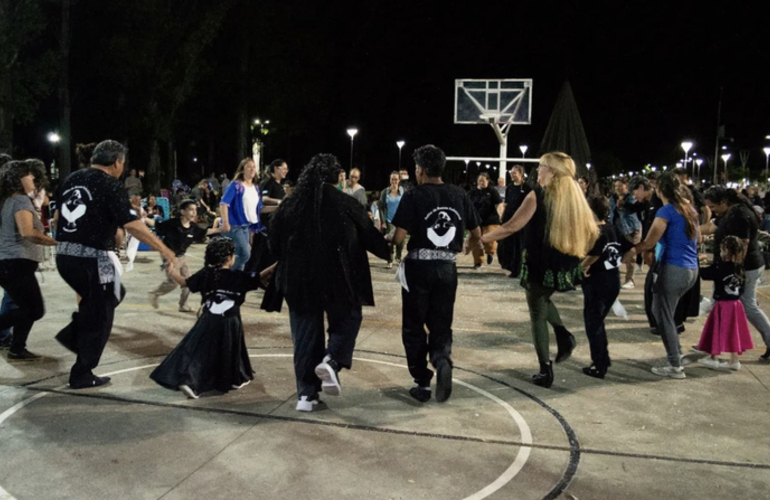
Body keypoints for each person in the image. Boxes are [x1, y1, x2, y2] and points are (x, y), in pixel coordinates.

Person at [268, 154, 389, 412]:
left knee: (304, 335)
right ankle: (332, 360)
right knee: (349, 318)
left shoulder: (290, 204)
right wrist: (390, 245)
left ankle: (306, 396)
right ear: (337, 178)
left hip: (297, 279)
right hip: (337, 277)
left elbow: (273, 242)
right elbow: (370, 236)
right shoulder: (345, 203)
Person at [53, 140, 175, 389]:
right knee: (102, 311)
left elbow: (56, 217)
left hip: (65, 257)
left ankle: (76, 335)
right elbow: (132, 224)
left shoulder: (71, 179)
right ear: (118, 162)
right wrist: (164, 249)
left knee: (111, 296)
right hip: (94, 260)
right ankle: (82, 371)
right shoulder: (110, 184)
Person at [482, 152, 599, 388]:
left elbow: (511, 226)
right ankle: (563, 334)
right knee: (543, 299)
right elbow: (591, 231)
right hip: (564, 261)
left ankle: (546, 368)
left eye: (542, 166)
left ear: (553, 171)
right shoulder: (574, 196)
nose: (538, 171)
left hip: (539, 262)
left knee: (536, 311)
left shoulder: (537, 195)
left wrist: (483, 238)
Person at [390, 145, 481, 403]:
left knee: (414, 326)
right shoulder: (459, 194)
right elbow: (477, 234)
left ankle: (422, 382)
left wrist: (387, 239)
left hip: (419, 267)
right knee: (441, 323)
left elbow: (398, 238)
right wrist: (467, 249)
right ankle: (441, 359)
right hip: (447, 268)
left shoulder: (414, 195)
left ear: (419, 170)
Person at [150, 238, 257, 399]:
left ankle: (231, 378)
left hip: (208, 318)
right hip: (230, 321)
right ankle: (193, 382)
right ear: (229, 258)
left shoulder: (206, 273)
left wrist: (171, 271)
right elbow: (260, 278)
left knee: (199, 351)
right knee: (227, 350)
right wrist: (279, 265)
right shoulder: (236, 276)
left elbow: (185, 283)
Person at [623, 172, 699, 379]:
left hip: (673, 269)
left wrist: (630, 252)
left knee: (662, 315)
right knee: (665, 314)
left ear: (659, 189)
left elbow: (649, 242)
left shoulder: (666, 211)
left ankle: (675, 365)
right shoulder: (688, 208)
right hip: (691, 270)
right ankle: (676, 355)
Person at [702, 186, 770, 362]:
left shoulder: (739, 215)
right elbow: (711, 227)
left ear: (723, 202)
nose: (713, 211)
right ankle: (712, 346)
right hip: (738, 267)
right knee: (717, 304)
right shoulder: (730, 213)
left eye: (714, 207)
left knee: (748, 307)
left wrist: (734, 270)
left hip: (746, 268)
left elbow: (743, 244)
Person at [0, 159, 57, 360]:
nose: (32, 177)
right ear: (18, 179)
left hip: (11, 263)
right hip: (16, 263)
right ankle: (15, 345)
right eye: (28, 174)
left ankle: (17, 348)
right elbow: (27, 232)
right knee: (35, 310)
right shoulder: (20, 201)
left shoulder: (8, 200)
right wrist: (54, 242)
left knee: (26, 308)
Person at [580, 195, 633, 378]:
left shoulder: (596, 231)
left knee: (593, 323)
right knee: (597, 321)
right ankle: (602, 359)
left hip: (598, 282)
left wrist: (581, 267)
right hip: (613, 280)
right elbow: (629, 248)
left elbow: (594, 254)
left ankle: (599, 364)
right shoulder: (613, 228)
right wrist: (618, 262)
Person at [149, 200, 224, 312]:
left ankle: (183, 305)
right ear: (183, 211)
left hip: (182, 256)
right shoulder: (173, 223)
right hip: (169, 255)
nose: (194, 212)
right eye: (191, 209)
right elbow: (157, 225)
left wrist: (220, 229)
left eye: (195, 210)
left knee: (189, 281)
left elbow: (204, 232)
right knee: (173, 282)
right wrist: (143, 219)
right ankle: (155, 294)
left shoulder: (193, 227)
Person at [696, 236, 753, 371]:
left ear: (726, 251)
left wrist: (697, 261)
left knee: (716, 330)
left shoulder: (720, 267)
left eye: (722, 250)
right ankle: (734, 360)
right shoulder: (740, 268)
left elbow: (703, 274)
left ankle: (713, 358)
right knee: (734, 332)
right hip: (736, 304)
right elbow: (743, 287)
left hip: (722, 305)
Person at [219, 158, 263, 271]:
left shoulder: (255, 188)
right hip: (234, 225)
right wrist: (225, 222)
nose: (252, 169)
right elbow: (224, 203)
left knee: (239, 256)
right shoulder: (236, 185)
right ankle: (222, 274)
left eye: (254, 166)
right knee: (245, 254)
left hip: (246, 226)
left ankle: (235, 283)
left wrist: (280, 206)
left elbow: (260, 208)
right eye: (249, 166)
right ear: (242, 170)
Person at [498, 165, 531, 278]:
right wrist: (502, 216)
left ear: (521, 174)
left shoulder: (527, 188)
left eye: (514, 173)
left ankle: (516, 269)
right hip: (508, 218)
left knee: (517, 245)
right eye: (511, 173)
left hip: (520, 220)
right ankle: (507, 264)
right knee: (504, 243)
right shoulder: (509, 188)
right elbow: (506, 203)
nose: (512, 175)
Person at [609, 178, 642, 288]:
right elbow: (611, 213)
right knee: (615, 253)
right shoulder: (613, 198)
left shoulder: (631, 197)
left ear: (625, 186)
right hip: (618, 229)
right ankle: (614, 279)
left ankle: (629, 280)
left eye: (620, 186)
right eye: (615, 186)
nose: (617, 188)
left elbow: (635, 209)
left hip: (632, 229)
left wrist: (624, 205)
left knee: (631, 254)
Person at [469, 172, 503, 269]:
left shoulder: (492, 191)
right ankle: (478, 261)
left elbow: (498, 204)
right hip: (476, 221)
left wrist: (501, 215)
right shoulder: (472, 193)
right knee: (475, 241)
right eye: (479, 180)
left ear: (488, 181)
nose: (481, 182)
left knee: (489, 239)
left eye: (483, 181)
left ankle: (490, 253)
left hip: (491, 220)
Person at [379, 171, 405, 268]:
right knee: (389, 242)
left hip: (400, 220)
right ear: (390, 180)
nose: (394, 181)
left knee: (400, 241)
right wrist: (383, 221)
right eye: (392, 179)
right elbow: (381, 207)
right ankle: (389, 260)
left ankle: (398, 257)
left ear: (399, 180)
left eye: (396, 179)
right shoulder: (384, 192)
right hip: (388, 220)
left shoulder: (403, 192)